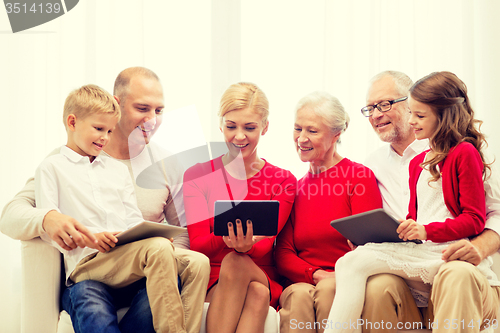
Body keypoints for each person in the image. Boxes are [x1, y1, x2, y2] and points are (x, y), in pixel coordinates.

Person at [0, 67, 210, 333]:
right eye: (143, 108)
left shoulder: (163, 164)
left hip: (142, 267)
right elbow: (10, 215)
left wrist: (162, 247)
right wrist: (48, 218)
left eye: (159, 111)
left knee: (194, 261)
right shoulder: (59, 163)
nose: (153, 120)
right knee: (100, 291)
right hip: (92, 270)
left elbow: (182, 233)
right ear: (117, 103)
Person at [35, 83, 188, 333]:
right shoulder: (51, 167)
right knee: (89, 299)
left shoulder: (116, 171)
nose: (105, 137)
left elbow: (132, 219)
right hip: (87, 268)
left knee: (170, 273)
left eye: (109, 130)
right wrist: (91, 238)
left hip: (126, 268)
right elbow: (49, 230)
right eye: (98, 129)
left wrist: (149, 237)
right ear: (72, 122)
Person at [357, 71, 500, 333]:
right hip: (411, 272)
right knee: (377, 287)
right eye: (370, 108)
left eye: (385, 104)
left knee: (456, 274)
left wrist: (479, 247)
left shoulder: (466, 150)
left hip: (457, 268)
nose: (376, 114)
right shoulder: (372, 164)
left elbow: (492, 213)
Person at [183, 82, 297, 333]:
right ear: (220, 124)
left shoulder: (283, 180)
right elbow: (199, 244)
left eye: (250, 127)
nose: (239, 136)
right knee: (254, 290)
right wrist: (231, 241)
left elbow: (268, 242)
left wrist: (246, 246)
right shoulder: (197, 175)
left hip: (260, 272)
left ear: (265, 127)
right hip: (213, 278)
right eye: (231, 126)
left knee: (238, 262)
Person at [274, 91, 383, 333]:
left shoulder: (358, 177)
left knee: (328, 291)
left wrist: (332, 277)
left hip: (346, 278)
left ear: (336, 134)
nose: (301, 138)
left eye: (312, 131)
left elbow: (369, 244)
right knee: (298, 296)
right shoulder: (295, 187)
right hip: (306, 279)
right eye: (297, 129)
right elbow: (283, 251)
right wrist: (315, 274)